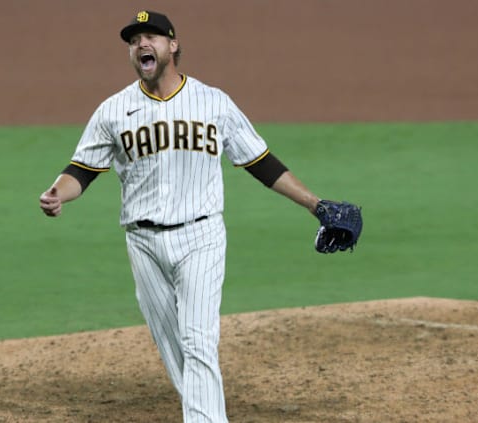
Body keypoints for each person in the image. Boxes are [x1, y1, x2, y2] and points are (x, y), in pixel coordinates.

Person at [39, 10, 324, 423]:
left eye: (150, 37)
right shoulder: (113, 111)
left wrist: (316, 204)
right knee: (174, 347)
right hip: (143, 243)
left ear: (172, 45)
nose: (141, 45)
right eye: (134, 40)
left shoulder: (213, 102)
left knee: (197, 340)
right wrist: (57, 194)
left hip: (201, 236)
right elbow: (81, 171)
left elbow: (261, 162)